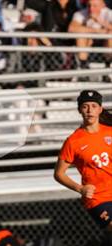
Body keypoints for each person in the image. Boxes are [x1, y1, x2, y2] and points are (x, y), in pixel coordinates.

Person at [54, 90, 112, 232]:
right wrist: (80, 189)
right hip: (97, 198)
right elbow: (59, 174)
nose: (89, 110)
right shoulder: (73, 141)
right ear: (80, 110)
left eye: (93, 106)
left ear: (100, 109)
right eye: (85, 106)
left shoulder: (110, 132)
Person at [68, 0, 112, 69]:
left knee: (110, 34)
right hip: (88, 43)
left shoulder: (109, 13)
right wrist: (97, 31)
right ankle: (83, 66)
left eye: (95, 6)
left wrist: (100, 21)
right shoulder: (81, 13)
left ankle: (108, 64)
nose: (91, 8)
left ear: (103, 5)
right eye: (89, 5)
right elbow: (71, 28)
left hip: (105, 43)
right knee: (81, 35)